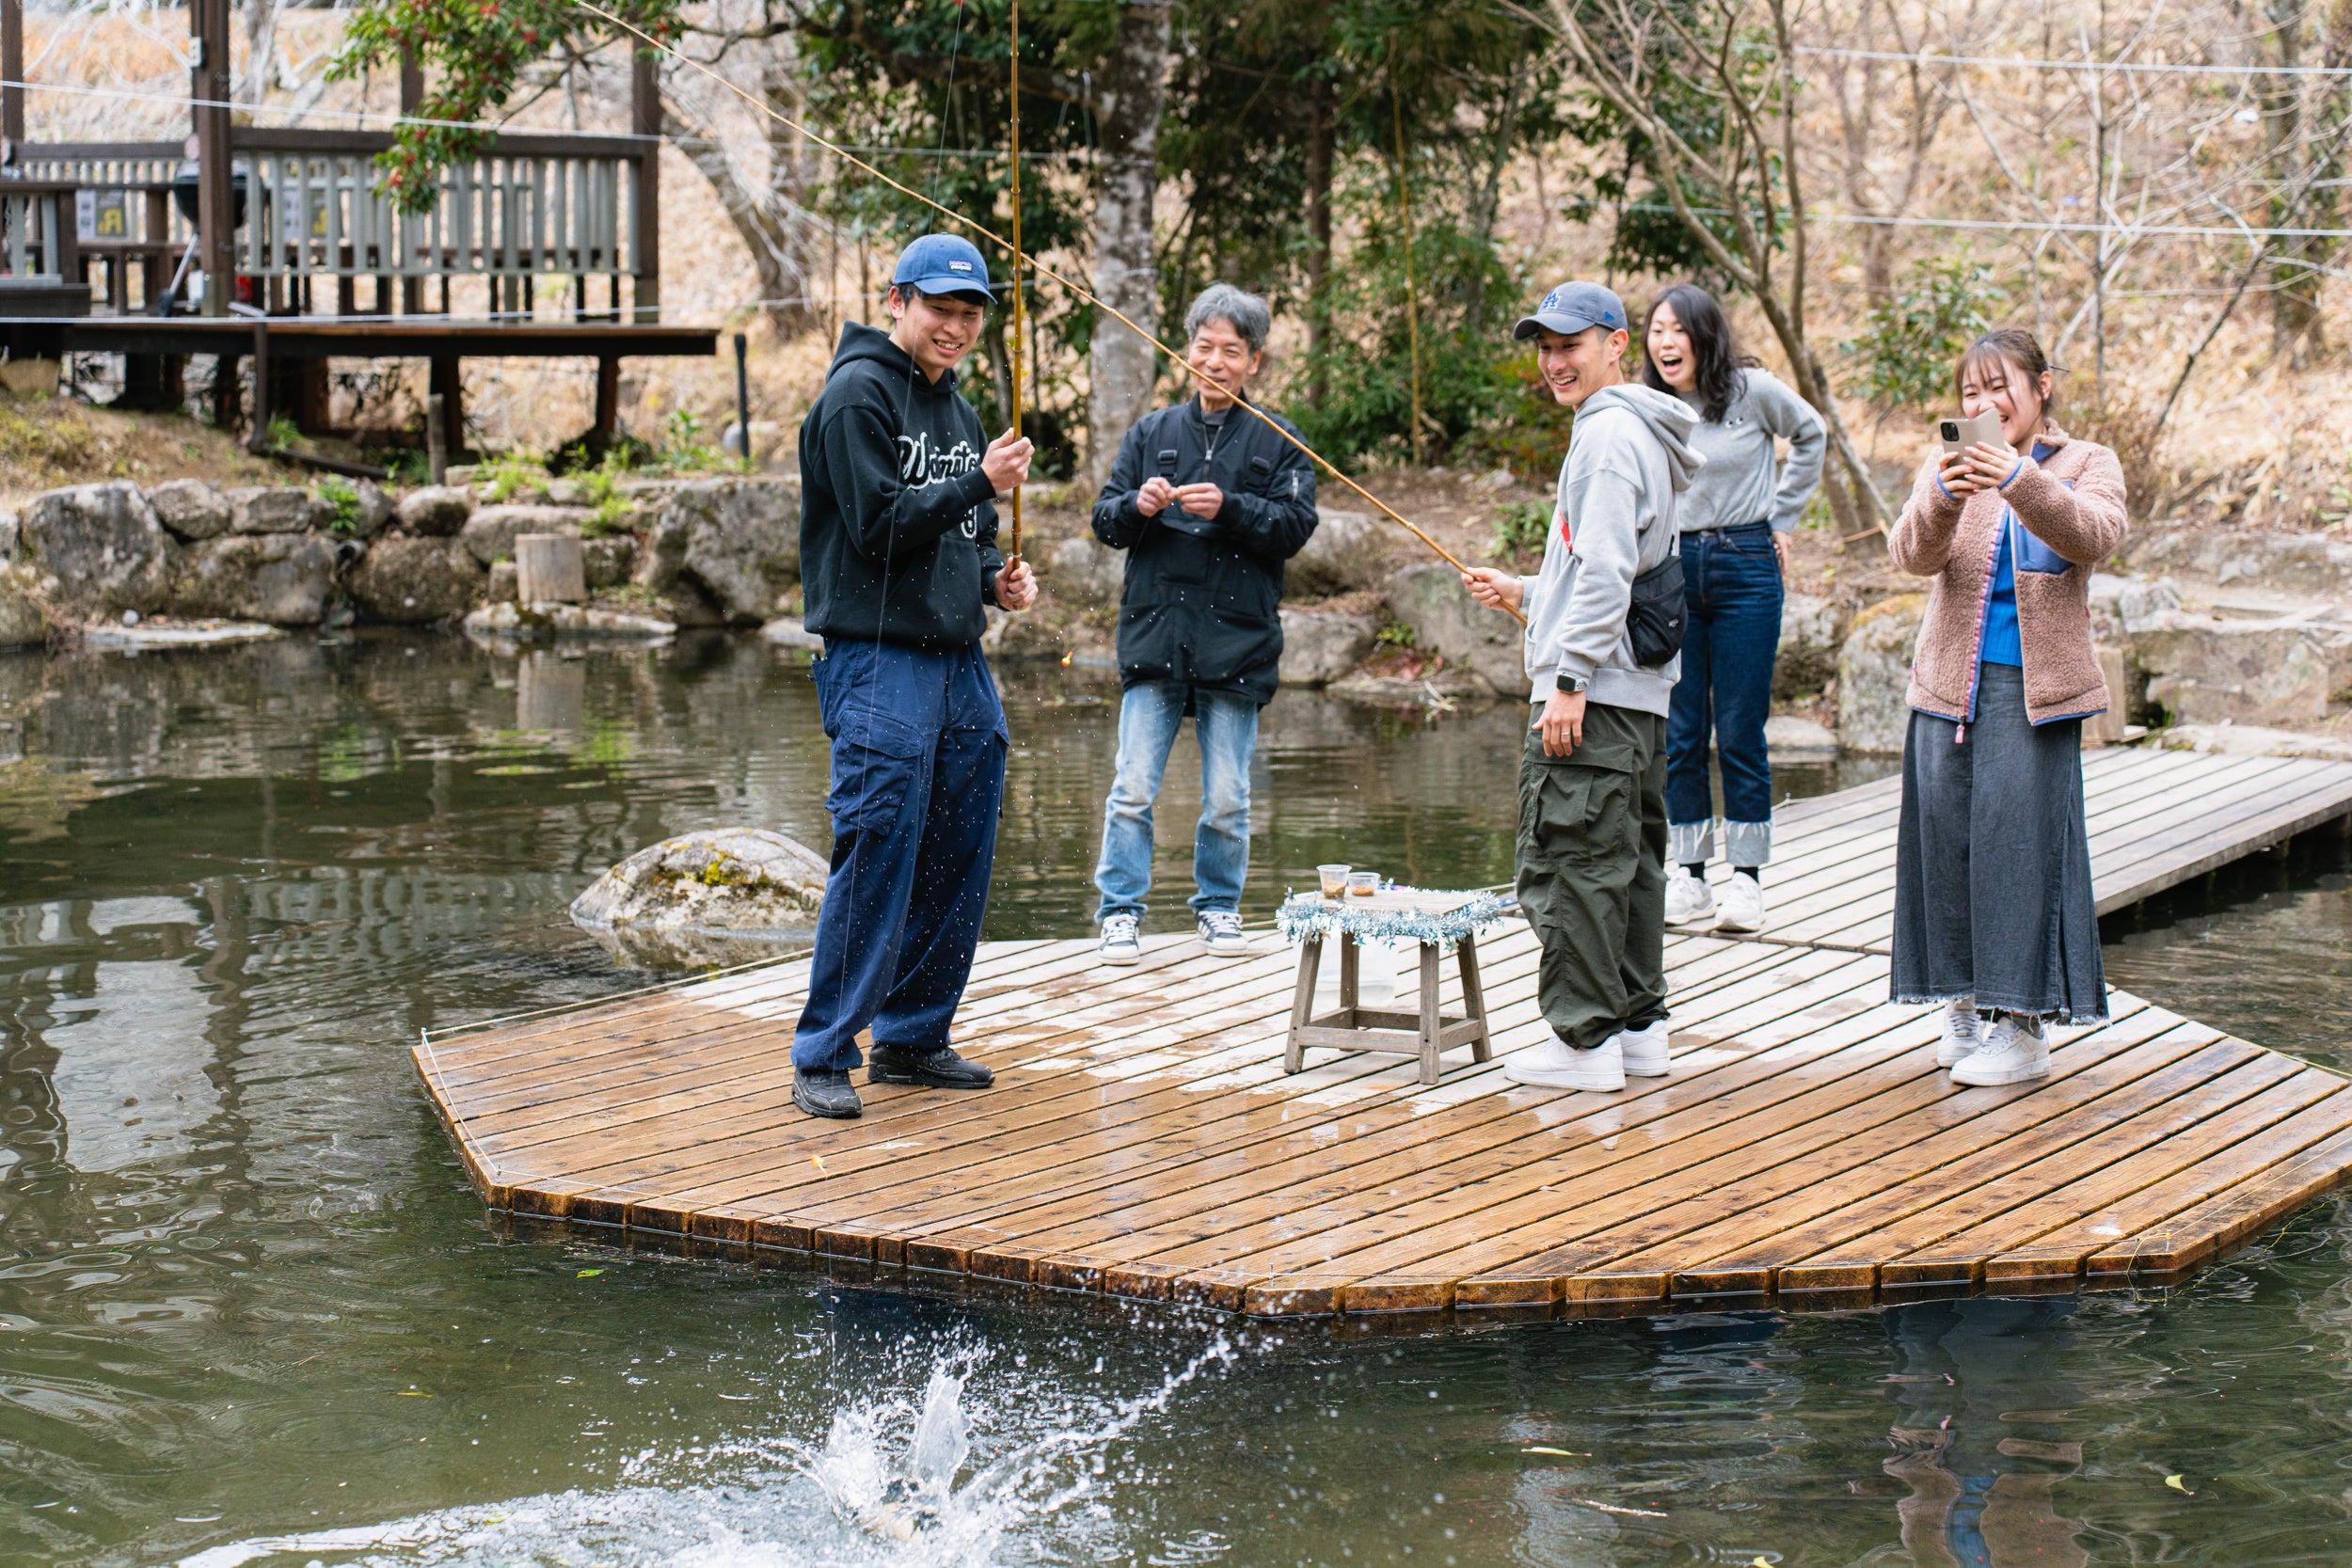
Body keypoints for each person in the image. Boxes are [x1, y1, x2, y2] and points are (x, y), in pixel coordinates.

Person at [788, 232, 1038, 1120]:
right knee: (879, 841)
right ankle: (823, 1049)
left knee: (959, 842)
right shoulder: (855, 396)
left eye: (970, 314)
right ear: (897, 300)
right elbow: (874, 530)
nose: (957, 327)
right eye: (941, 308)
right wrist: (978, 483)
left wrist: (995, 581)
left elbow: (954, 545)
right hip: (875, 658)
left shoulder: (961, 413)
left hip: (958, 660)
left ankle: (912, 1034)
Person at [1462, 281, 1701, 1093]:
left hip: (1594, 693)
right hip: (1635, 696)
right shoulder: (1637, 431)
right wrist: (1528, 594)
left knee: (1567, 864)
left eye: (1572, 343)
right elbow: (1605, 564)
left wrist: (1568, 677)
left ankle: (1582, 1041)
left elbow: (1604, 570)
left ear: (1616, 344)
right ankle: (1638, 1028)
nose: (1555, 360)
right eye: (1546, 346)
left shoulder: (1604, 438)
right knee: (1627, 863)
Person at [1888, 328, 2123, 1086]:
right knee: (1944, 846)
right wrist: (1943, 495)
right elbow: (1910, 556)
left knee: (2017, 850)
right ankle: (1960, 1005)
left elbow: (2095, 535)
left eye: (1999, 388)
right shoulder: (1946, 464)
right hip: (1945, 683)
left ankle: (2021, 1027)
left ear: (2040, 386)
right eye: (1970, 392)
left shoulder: (2087, 462)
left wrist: (2019, 478)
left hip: (2036, 690)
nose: (1984, 404)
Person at [1088, 283, 1319, 965]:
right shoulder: (1151, 432)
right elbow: (1105, 521)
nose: (1213, 361)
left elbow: (1295, 527)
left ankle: (1218, 907)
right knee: (1131, 788)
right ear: (1185, 350)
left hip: (1236, 642)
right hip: (1156, 635)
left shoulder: (1280, 440)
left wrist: (1233, 508)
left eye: (1230, 351)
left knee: (1228, 797)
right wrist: (1138, 504)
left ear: (1254, 361)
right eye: (1203, 346)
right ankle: (1120, 911)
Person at [1640, 284, 1825, 934]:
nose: (1665, 342)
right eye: (1655, 330)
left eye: (1677, 330)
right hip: (1673, 571)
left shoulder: (1751, 392)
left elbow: (1812, 432)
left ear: (1704, 336)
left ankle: (1746, 879)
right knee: (1683, 732)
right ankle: (1688, 877)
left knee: (1741, 728)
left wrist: (1785, 517)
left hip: (1747, 564)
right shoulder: (1649, 407)